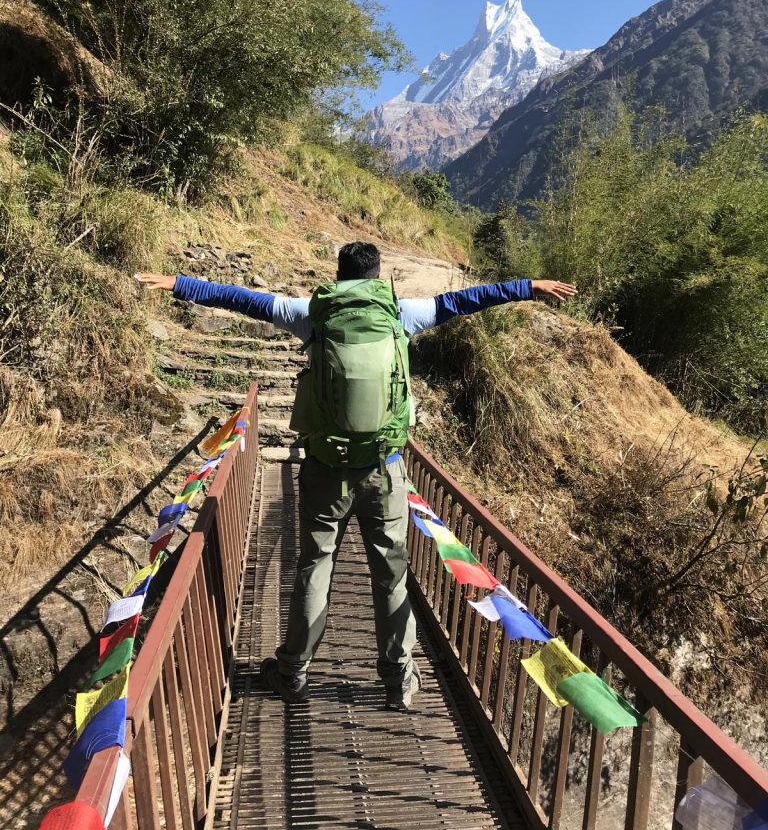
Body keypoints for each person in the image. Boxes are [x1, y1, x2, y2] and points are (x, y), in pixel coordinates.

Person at [135, 242, 576, 710]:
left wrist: (180, 284)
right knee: (391, 576)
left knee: (314, 567)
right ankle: (399, 679)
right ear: (378, 275)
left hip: (325, 469)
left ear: (339, 275)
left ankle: (292, 672)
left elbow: (243, 299)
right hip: (384, 471)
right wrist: (529, 287)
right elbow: (465, 299)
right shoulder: (402, 314)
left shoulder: (312, 314)